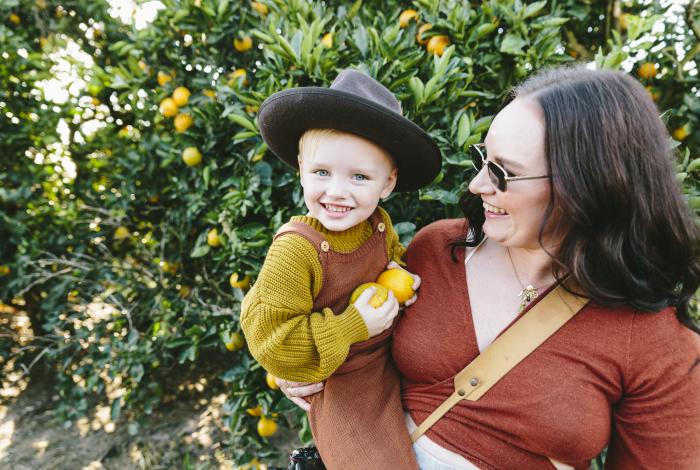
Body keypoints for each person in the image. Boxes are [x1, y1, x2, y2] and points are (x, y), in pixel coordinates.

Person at [277, 65, 700, 469]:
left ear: (589, 186)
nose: (477, 184)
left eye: (504, 172)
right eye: (483, 159)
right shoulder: (438, 248)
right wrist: (299, 369)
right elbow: (345, 325)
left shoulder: (655, 339)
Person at [240, 69, 441, 469]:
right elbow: (273, 341)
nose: (336, 192)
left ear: (387, 183)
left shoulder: (377, 225)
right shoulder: (296, 252)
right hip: (343, 387)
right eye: (321, 173)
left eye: (360, 177)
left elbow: (392, 260)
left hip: (390, 366)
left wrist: (403, 279)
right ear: (300, 169)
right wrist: (353, 324)